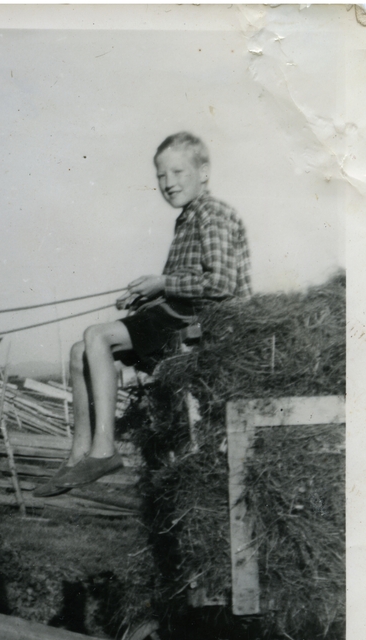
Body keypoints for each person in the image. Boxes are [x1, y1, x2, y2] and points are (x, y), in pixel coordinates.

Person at [35, 132, 251, 496]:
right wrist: (144, 298)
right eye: (161, 176)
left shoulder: (213, 213)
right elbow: (184, 281)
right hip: (180, 316)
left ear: (204, 172)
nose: (169, 183)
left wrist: (162, 284)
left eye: (178, 172)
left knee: (96, 336)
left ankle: (104, 449)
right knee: (79, 353)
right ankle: (76, 456)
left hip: (205, 324)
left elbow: (223, 285)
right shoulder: (188, 218)